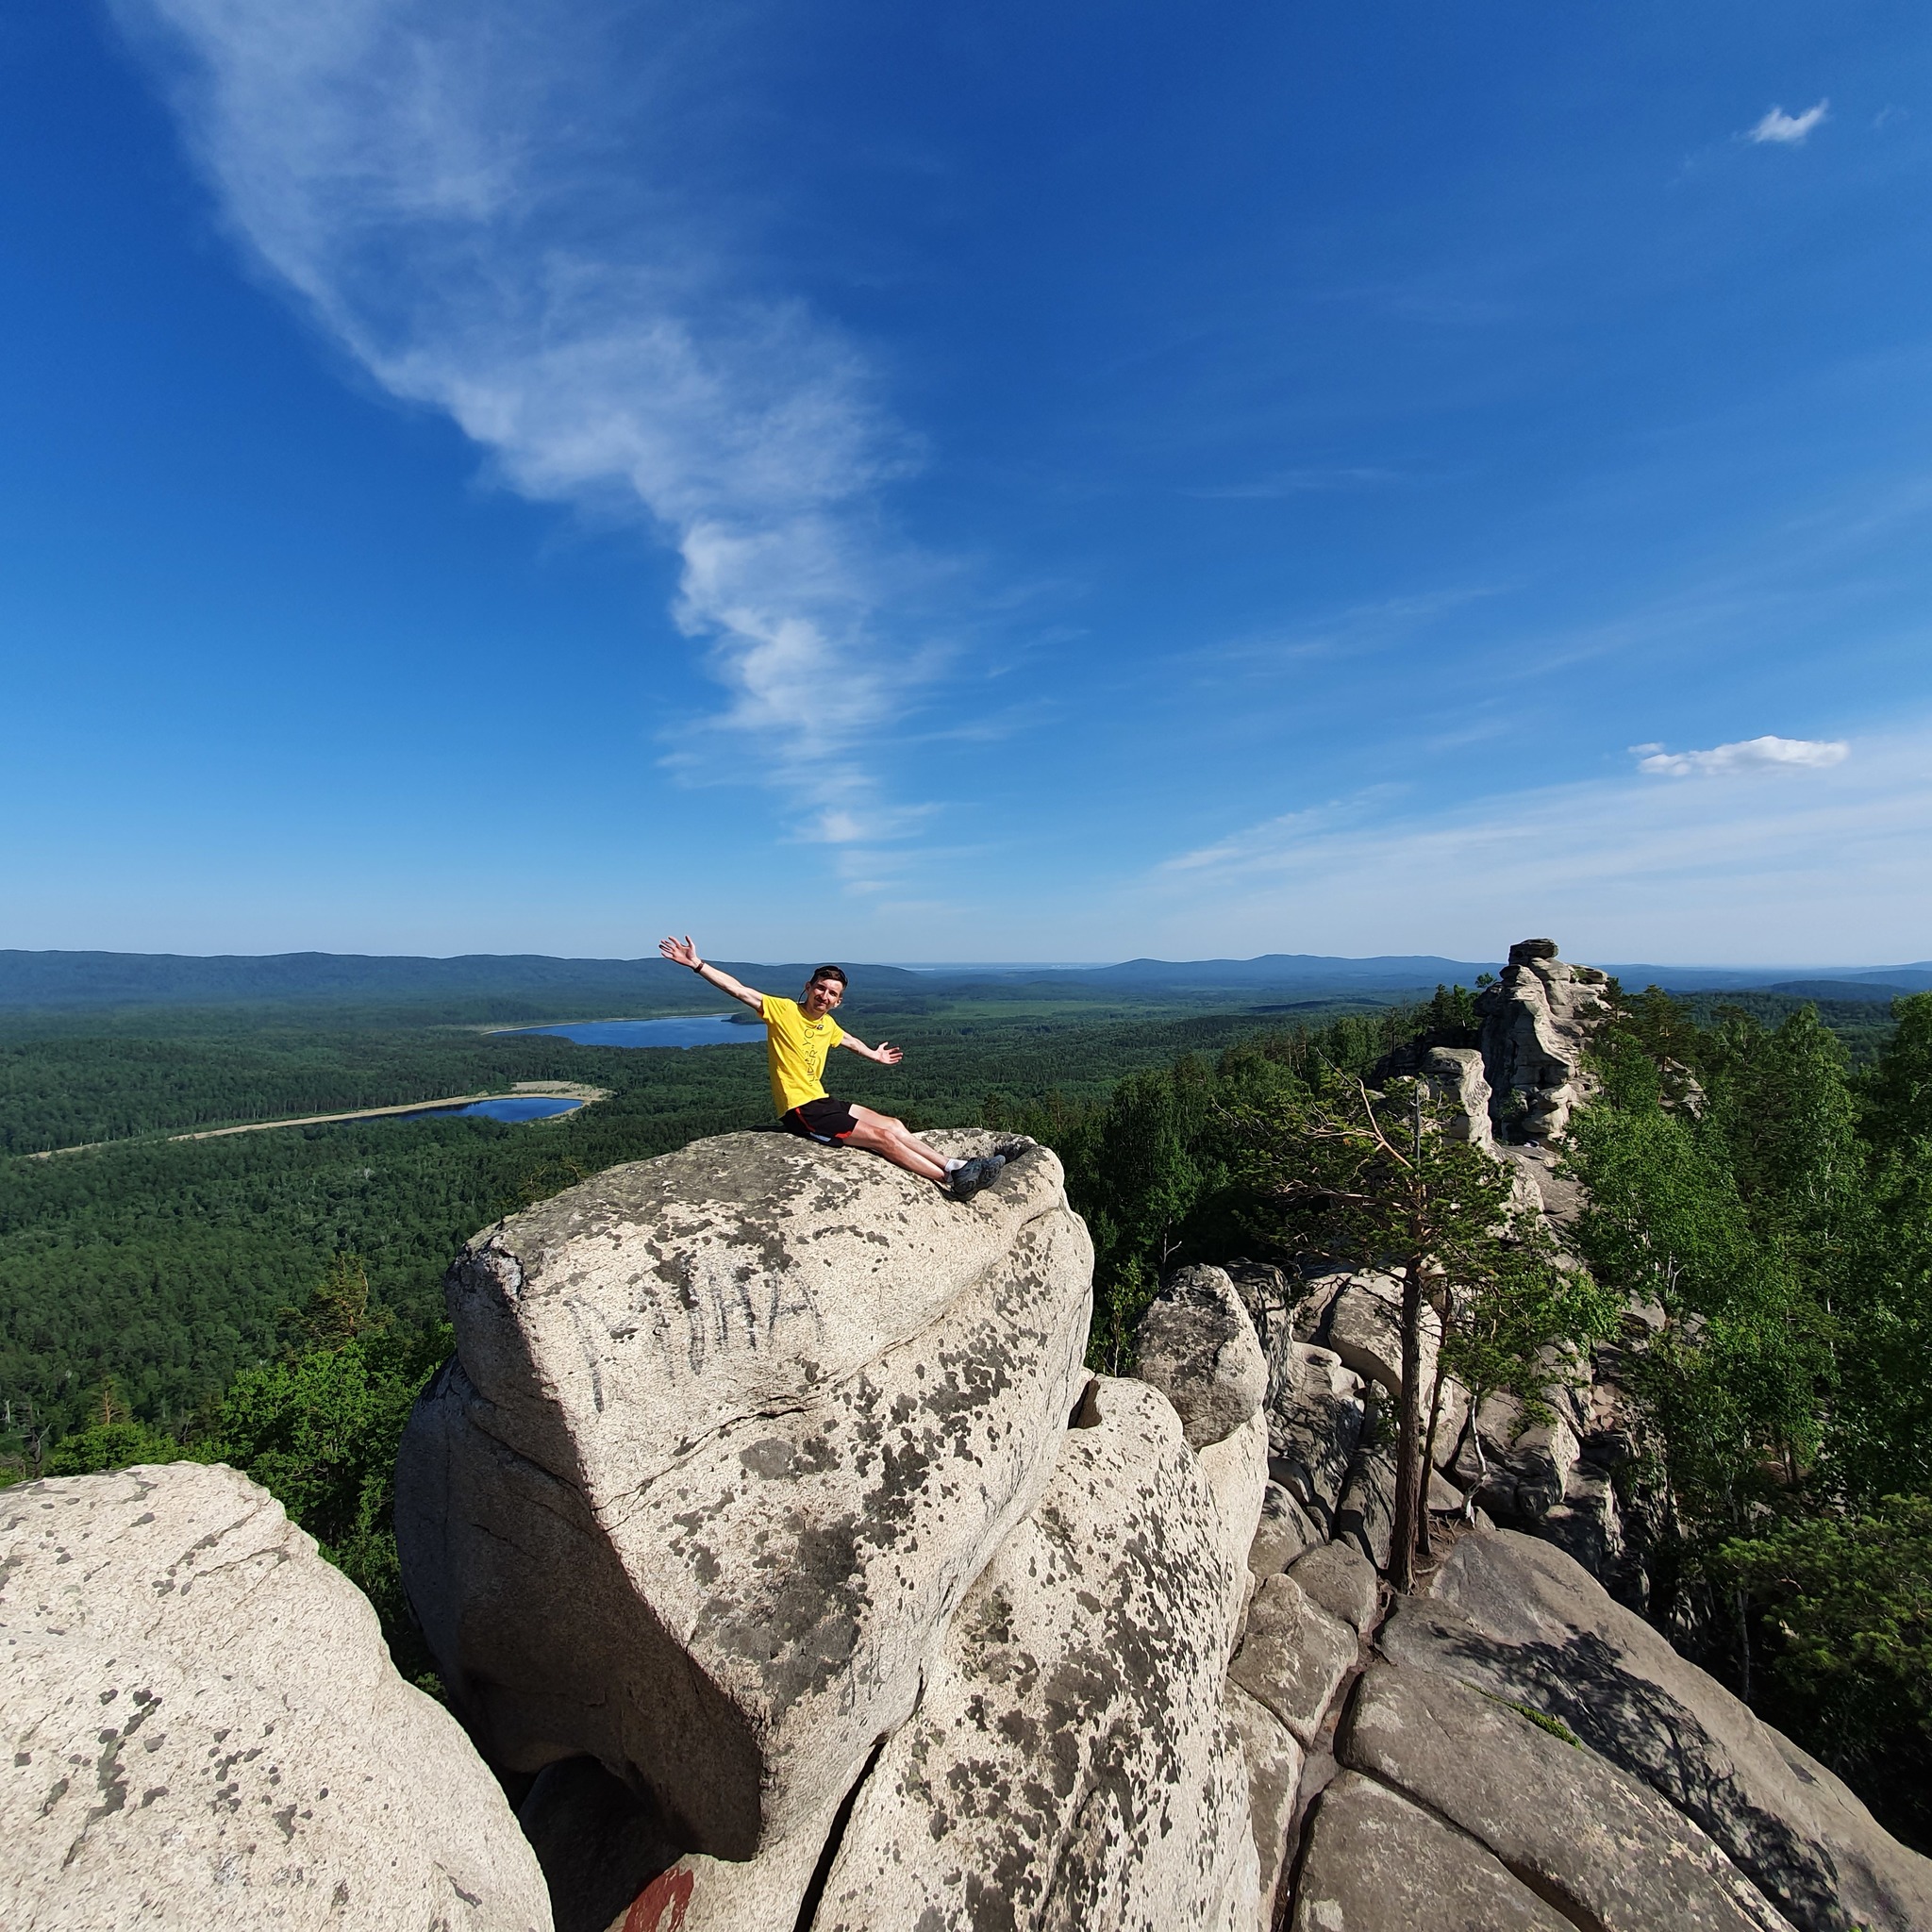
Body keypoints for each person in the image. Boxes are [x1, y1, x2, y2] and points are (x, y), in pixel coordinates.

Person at [657, 936, 1006, 1199]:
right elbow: (739, 990)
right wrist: (698, 965)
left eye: (831, 994)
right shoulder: (782, 1011)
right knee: (882, 1139)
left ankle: (955, 1165)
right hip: (799, 1110)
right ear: (807, 988)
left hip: (821, 1100)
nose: (824, 996)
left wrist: (873, 1054)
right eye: (820, 988)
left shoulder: (828, 1025)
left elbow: (848, 1040)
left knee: (894, 1124)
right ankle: (948, 1180)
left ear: (838, 1002)